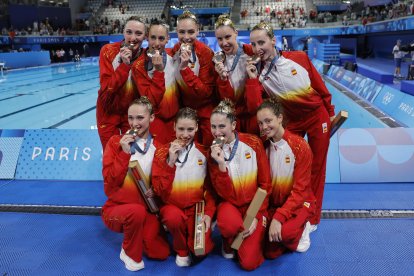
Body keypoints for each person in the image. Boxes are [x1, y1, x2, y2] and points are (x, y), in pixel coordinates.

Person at [246, 22, 335, 231]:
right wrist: (251, 79)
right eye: (253, 44)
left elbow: (319, 86)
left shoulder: (299, 58)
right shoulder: (258, 73)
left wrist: (330, 113)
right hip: (291, 122)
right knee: (291, 170)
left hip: (316, 116)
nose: (258, 48)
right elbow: (256, 106)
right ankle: (294, 210)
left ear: (273, 40)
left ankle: (312, 218)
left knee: (317, 168)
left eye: (262, 42)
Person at [101, 97, 170, 272]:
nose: (134, 123)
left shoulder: (159, 149)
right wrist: (124, 154)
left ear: (152, 118)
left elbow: (162, 188)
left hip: (146, 210)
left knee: (160, 253)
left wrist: (155, 192)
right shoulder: (115, 143)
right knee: (135, 212)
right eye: (131, 118)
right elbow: (110, 185)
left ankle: (138, 234)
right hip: (116, 209)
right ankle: (128, 252)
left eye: (140, 118)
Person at [208, 100, 271, 271]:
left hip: (254, 204)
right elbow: (224, 194)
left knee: (249, 263)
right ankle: (229, 242)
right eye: (213, 126)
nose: (216, 132)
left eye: (221, 126)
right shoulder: (212, 152)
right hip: (231, 205)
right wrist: (220, 165)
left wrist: (255, 216)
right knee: (228, 224)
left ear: (234, 125)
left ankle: (242, 241)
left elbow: (265, 184)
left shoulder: (253, 143)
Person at [152, 107, 216, 267]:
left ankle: (194, 233)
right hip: (171, 207)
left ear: (196, 128)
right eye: (181, 129)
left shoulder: (204, 152)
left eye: (190, 129)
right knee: (174, 218)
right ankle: (180, 247)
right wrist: (170, 162)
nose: (185, 134)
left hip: (197, 209)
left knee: (200, 251)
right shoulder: (161, 153)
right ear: (174, 127)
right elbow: (159, 190)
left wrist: (208, 213)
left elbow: (211, 189)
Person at [256, 98, 316, 259]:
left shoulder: (300, 146)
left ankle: (304, 226)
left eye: (268, 121)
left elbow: (301, 191)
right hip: (276, 205)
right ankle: (285, 233)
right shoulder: (263, 146)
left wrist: (278, 218)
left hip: (300, 202)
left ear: (280, 118)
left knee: (285, 233)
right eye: (260, 123)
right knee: (270, 252)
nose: (264, 127)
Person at [96, 16, 146, 150]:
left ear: (145, 36)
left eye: (138, 33)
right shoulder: (108, 51)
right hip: (107, 111)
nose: (133, 37)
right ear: (123, 32)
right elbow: (107, 89)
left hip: (130, 116)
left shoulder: (146, 57)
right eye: (129, 32)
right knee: (110, 153)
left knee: (130, 153)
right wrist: (124, 65)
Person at [172, 10, 216, 146]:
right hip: (183, 114)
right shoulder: (173, 51)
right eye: (182, 32)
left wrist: (185, 70)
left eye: (191, 32)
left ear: (198, 31)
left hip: (205, 113)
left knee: (207, 153)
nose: (186, 37)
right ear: (176, 31)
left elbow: (205, 92)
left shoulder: (205, 53)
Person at [133, 19, 180, 144]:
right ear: (147, 37)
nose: (157, 43)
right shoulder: (139, 66)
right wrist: (159, 72)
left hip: (175, 121)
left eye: (161, 38)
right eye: (153, 38)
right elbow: (150, 101)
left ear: (167, 39)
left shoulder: (173, 58)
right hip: (155, 122)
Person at [213, 14, 259, 135]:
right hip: (233, 118)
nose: (224, 43)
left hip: (253, 115)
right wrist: (222, 79)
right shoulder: (218, 60)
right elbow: (225, 99)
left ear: (236, 33)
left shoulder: (251, 52)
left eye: (228, 37)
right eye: (220, 39)